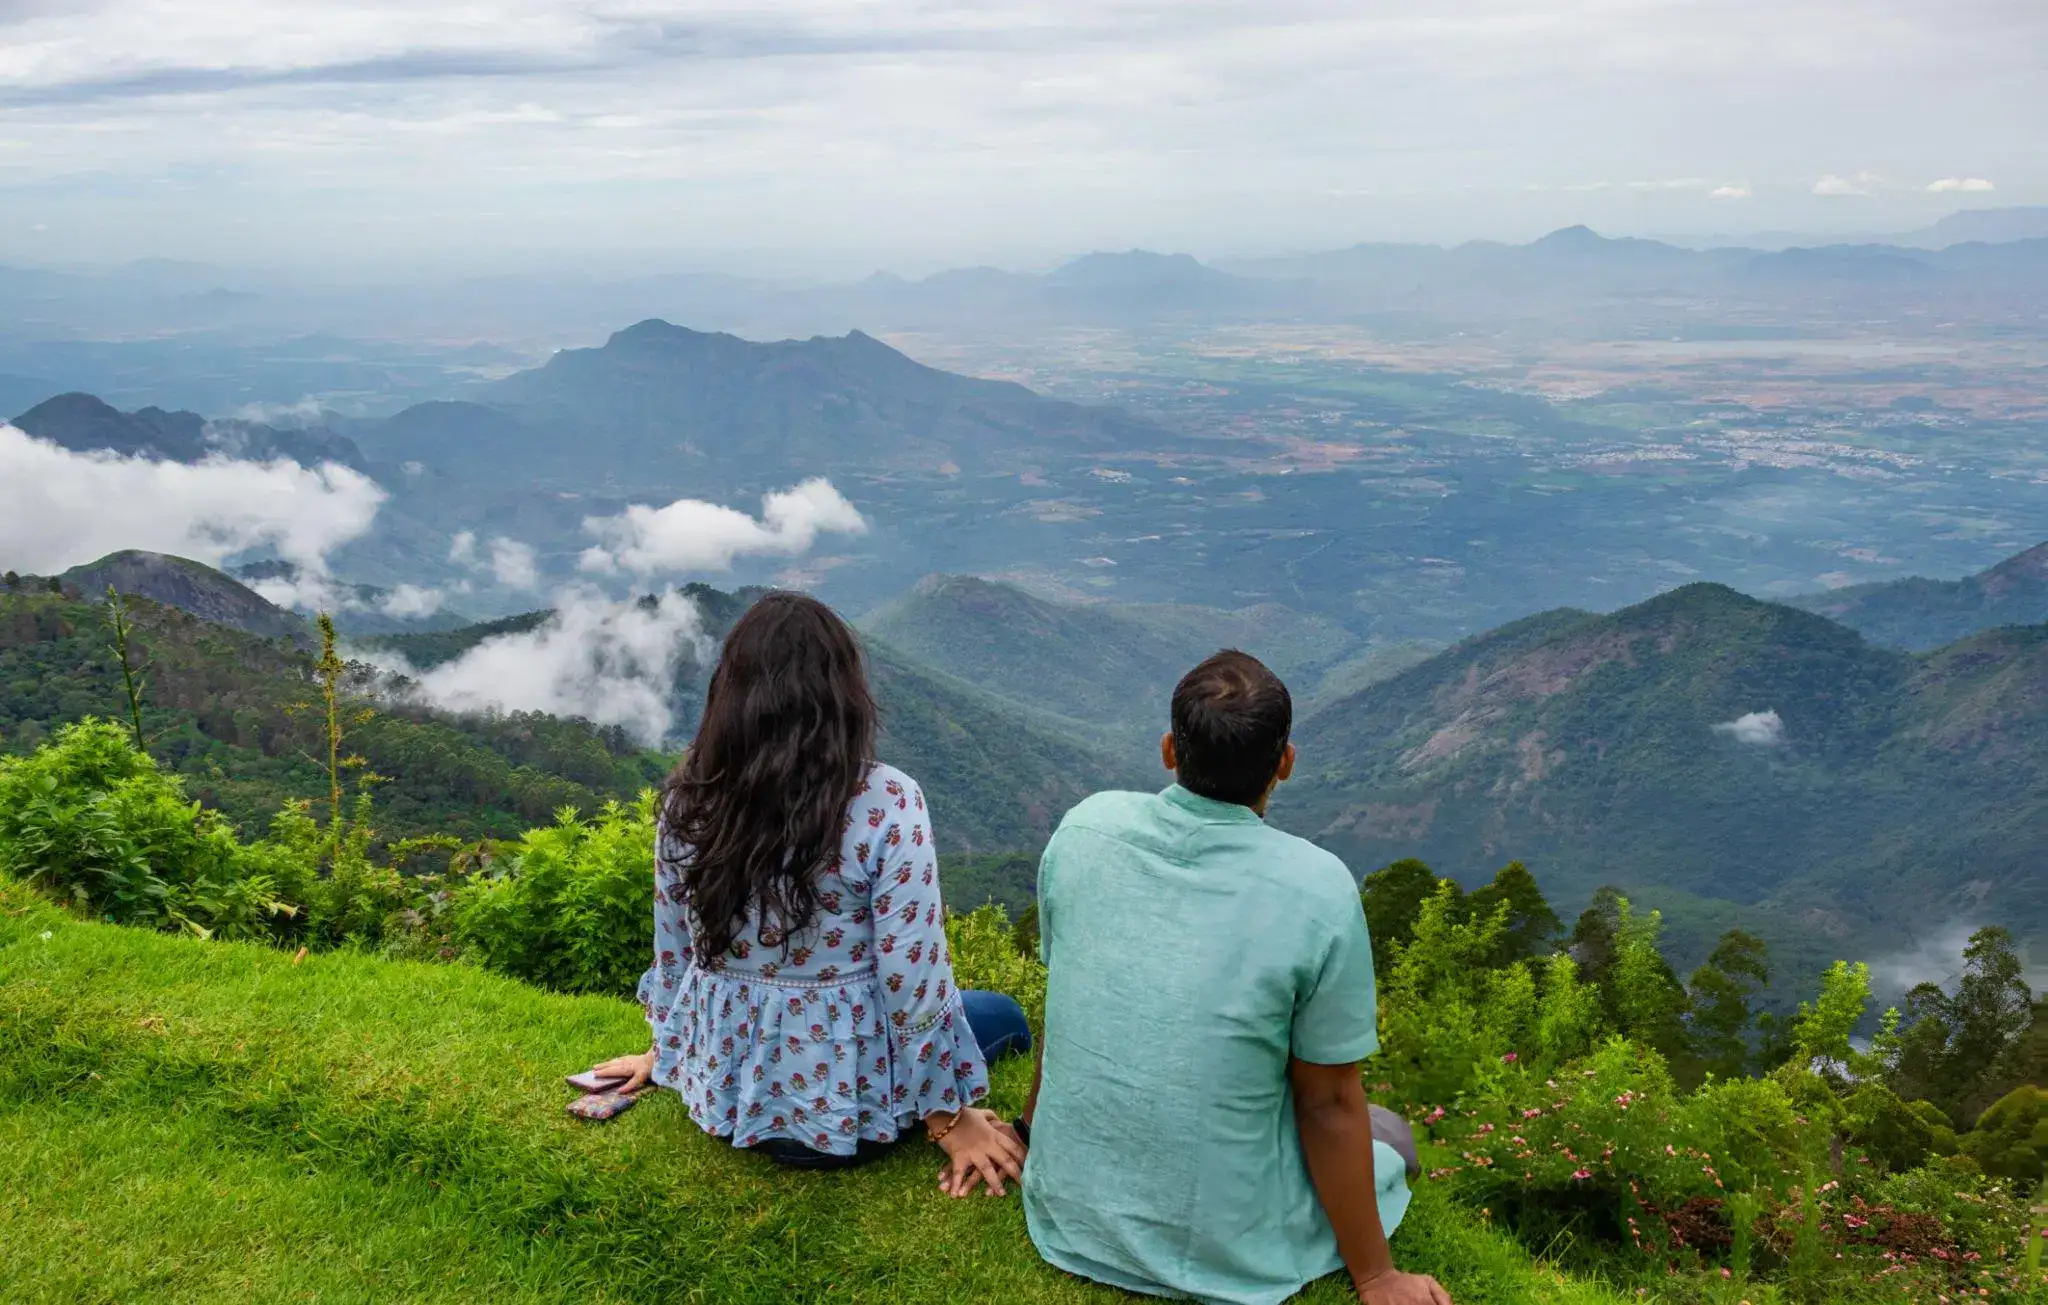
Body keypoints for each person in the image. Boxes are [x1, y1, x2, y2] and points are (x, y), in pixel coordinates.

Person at [1017, 650, 1451, 1305]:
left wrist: (1032, 1136)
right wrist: (1377, 1276)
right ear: (1285, 761)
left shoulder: (1086, 828)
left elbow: (1071, 1007)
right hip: (1222, 1244)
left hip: (1069, 1213)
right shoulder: (1317, 887)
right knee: (1389, 1134)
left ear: (1170, 749)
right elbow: (1327, 1102)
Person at [587, 592, 1030, 1195]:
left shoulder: (688, 799)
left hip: (728, 1100)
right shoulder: (887, 799)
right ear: (843, 695)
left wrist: (672, 1056)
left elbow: (674, 952)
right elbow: (911, 976)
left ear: (731, 693)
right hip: (850, 1112)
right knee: (1003, 1014)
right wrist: (948, 1118)